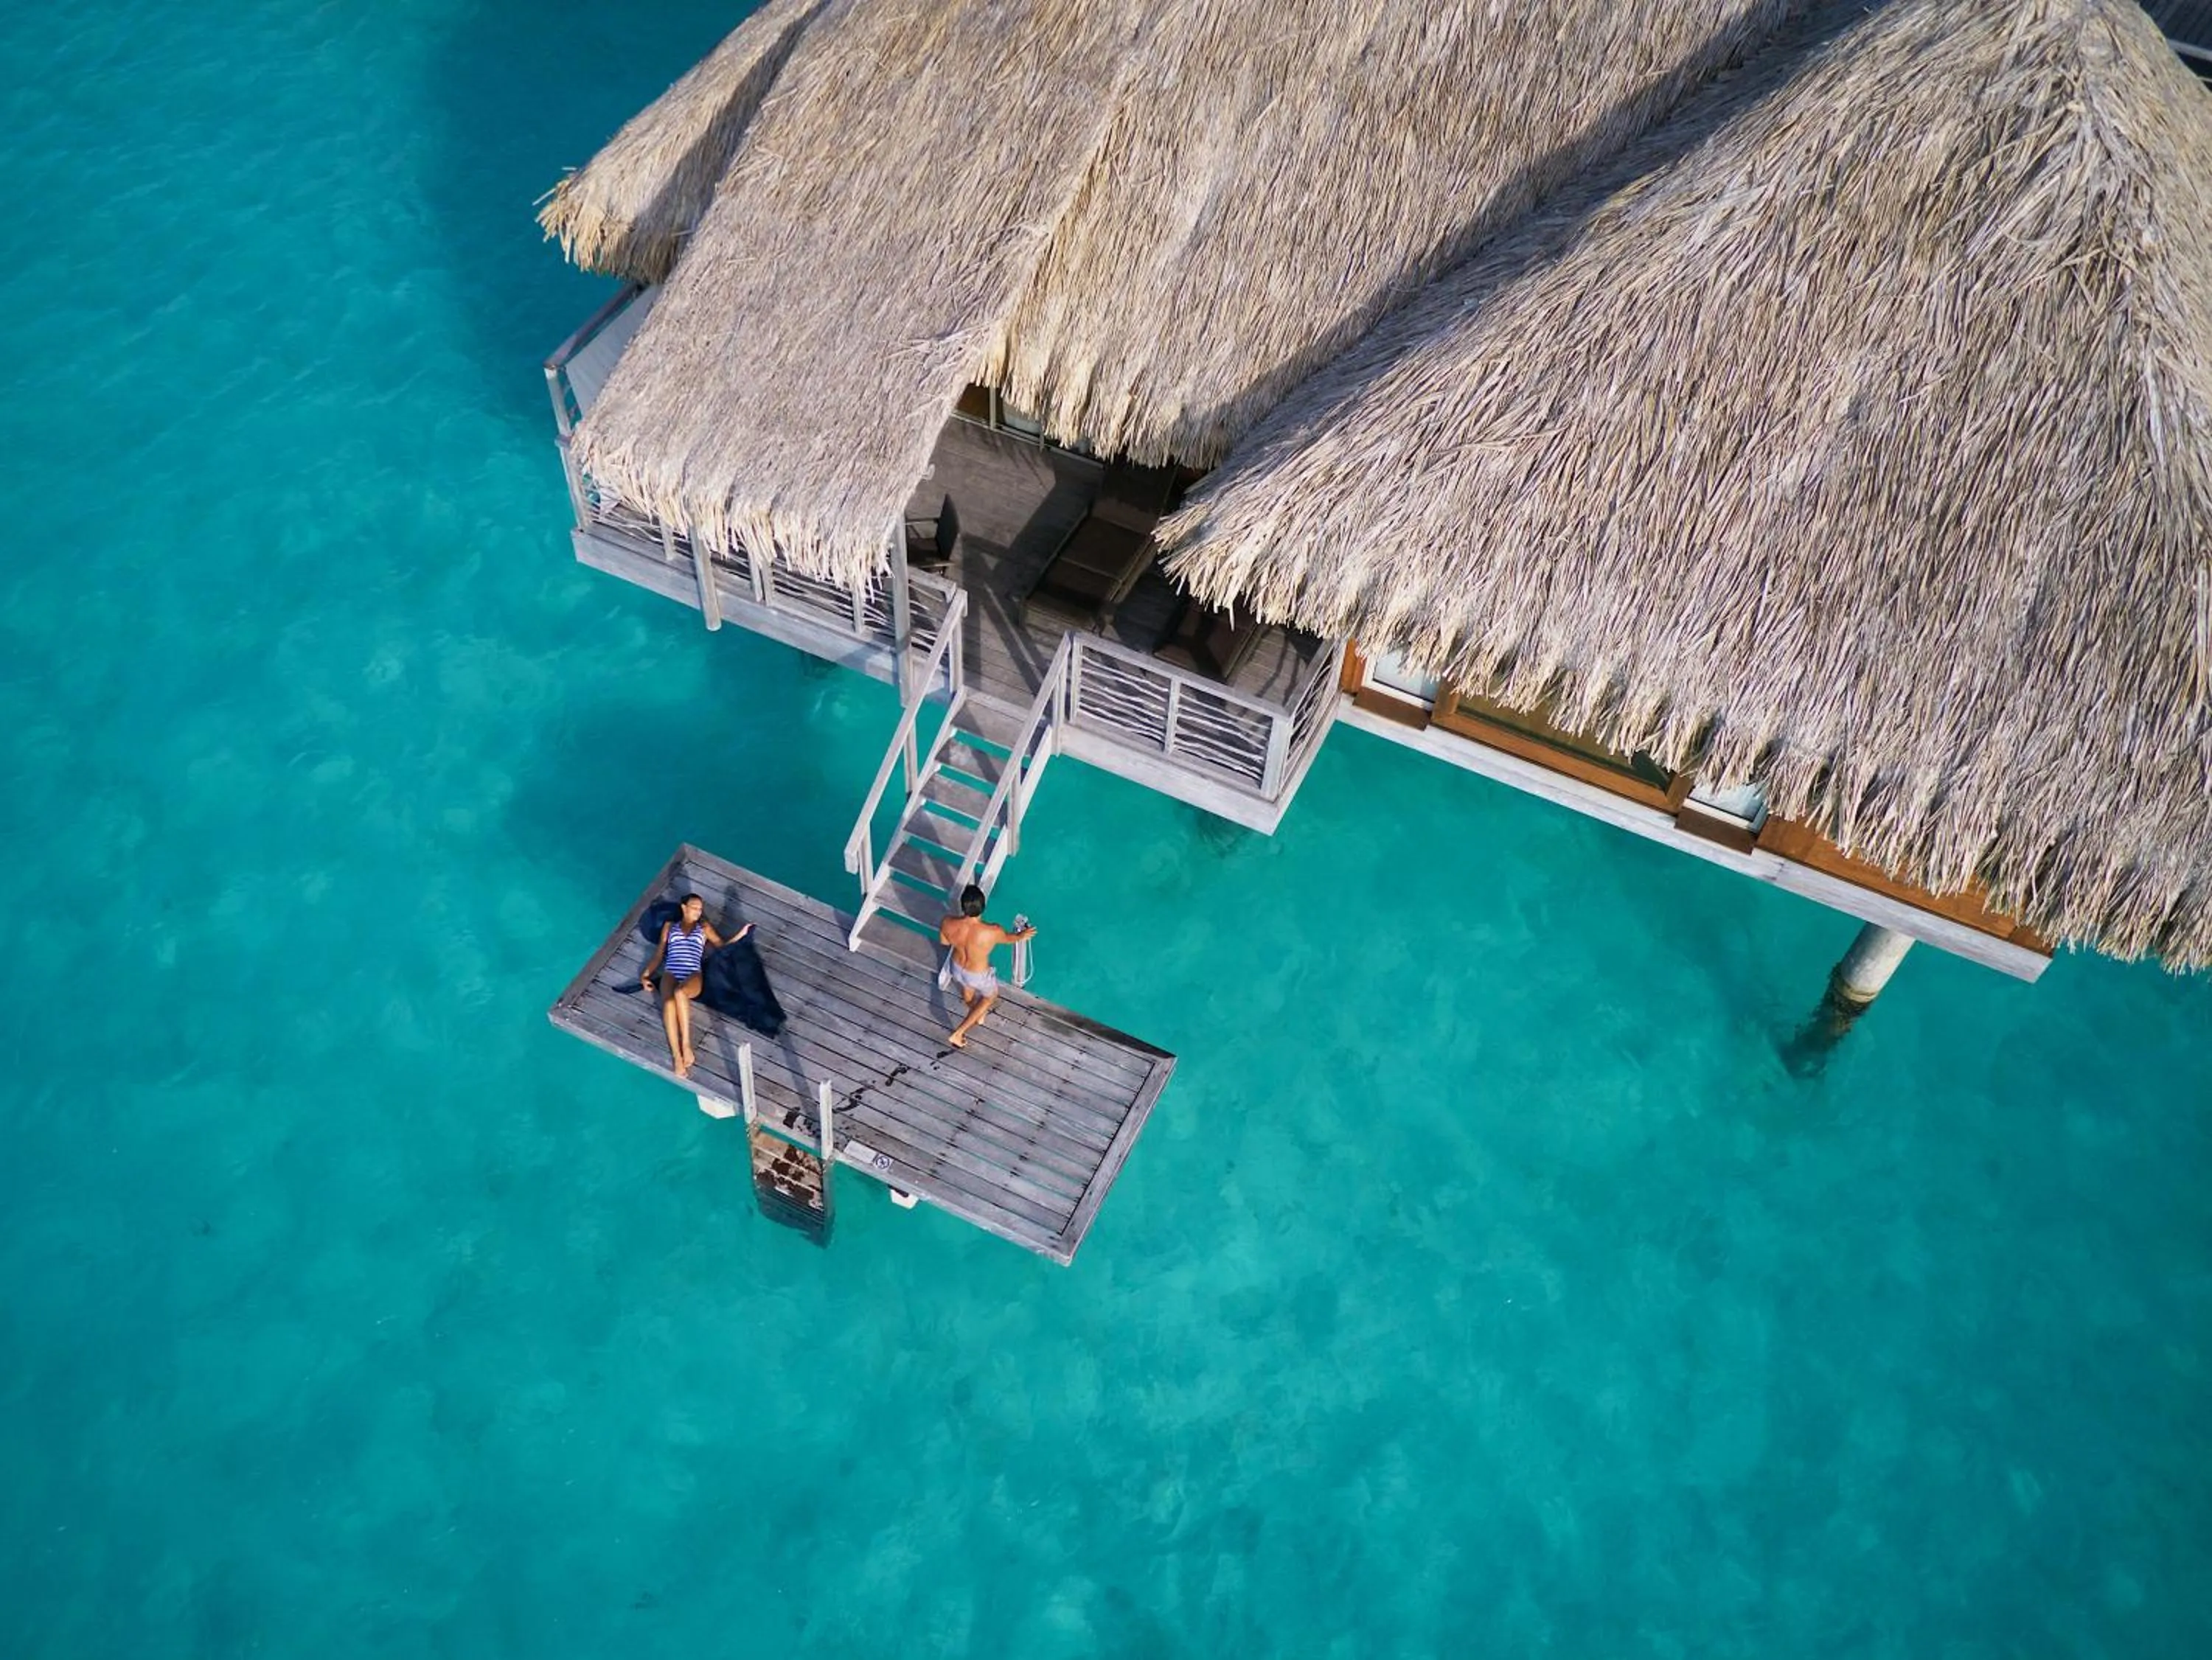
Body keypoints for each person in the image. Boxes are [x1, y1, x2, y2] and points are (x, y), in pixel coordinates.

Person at [639, 893, 751, 1078]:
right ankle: (677, 1057)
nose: (698, 912)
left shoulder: (704, 928)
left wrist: (741, 935)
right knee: (668, 1004)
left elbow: (722, 948)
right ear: (684, 908)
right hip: (671, 971)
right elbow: (659, 955)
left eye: (700, 909)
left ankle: (686, 1046)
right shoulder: (670, 927)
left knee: (680, 993)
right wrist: (645, 976)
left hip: (692, 973)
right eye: (694, 908)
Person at [936, 884, 1036, 1049]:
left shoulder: (947, 922)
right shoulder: (992, 931)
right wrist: (1022, 935)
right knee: (990, 997)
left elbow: (944, 942)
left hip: (956, 968)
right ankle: (959, 1033)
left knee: (968, 991)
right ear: (983, 907)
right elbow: (1010, 939)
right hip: (977, 974)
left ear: (963, 905)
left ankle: (977, 1014)